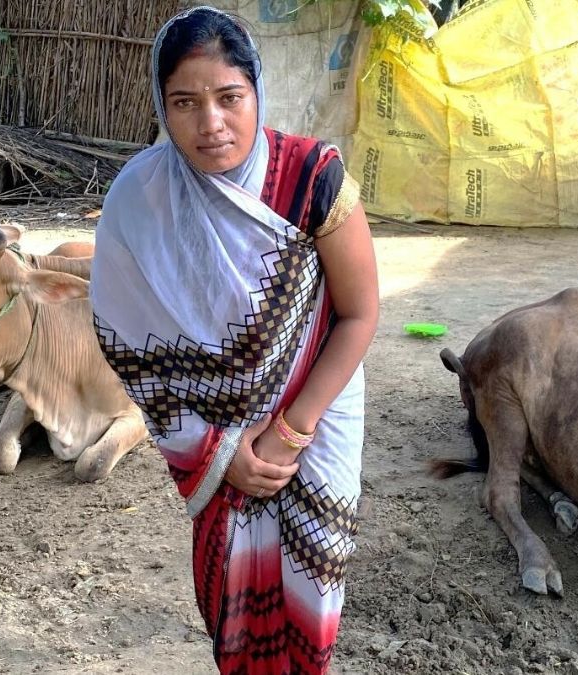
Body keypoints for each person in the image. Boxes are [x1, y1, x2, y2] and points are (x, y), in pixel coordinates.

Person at [88, 7, 378, 674]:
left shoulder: (312, 177)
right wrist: (221, 452)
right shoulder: (139, 200)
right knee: (233, 598)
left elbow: (359, 315)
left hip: (315, 413)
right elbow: (128, 346)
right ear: (161, 107)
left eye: (229, 97)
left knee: (311, 584)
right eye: (184, 103)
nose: (211, 123)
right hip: (212, 435)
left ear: (256, 91)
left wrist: (289, 434)